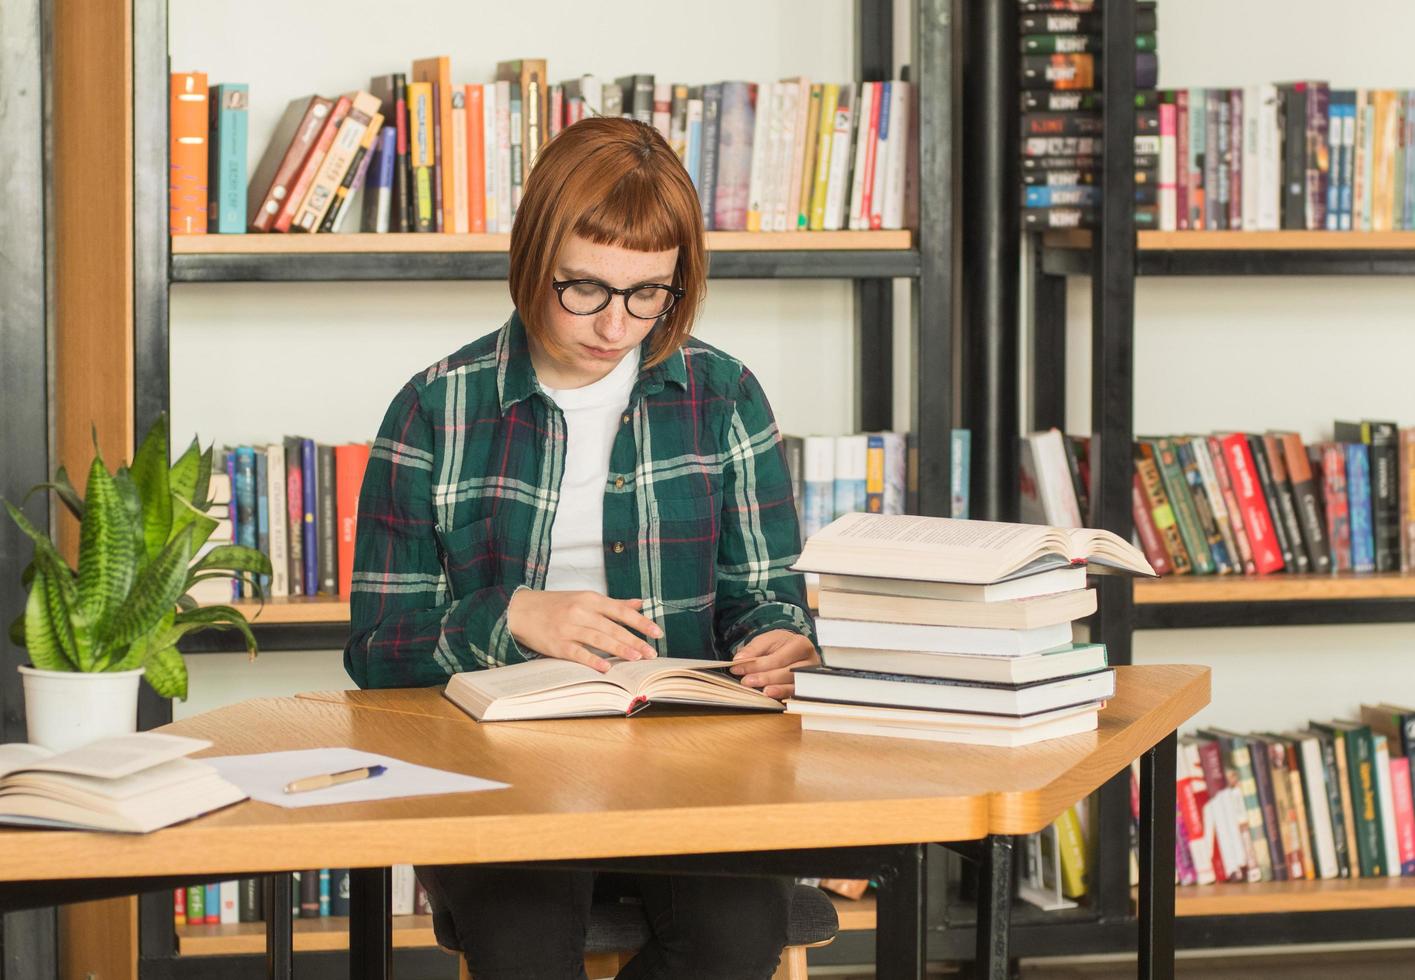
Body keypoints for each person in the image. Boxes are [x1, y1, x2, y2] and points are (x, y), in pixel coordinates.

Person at [345, 116, 820, 979]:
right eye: (586, 290)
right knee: (522, 950)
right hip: (502, 766)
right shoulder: (434, 409)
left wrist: (779, 638)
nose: (616, 325)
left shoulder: (723, 395)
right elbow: (376, 650)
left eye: (650, 294)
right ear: (532, 260)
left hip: (692, 757)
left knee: (736, 936)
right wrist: (512, 616)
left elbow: (763, 593)